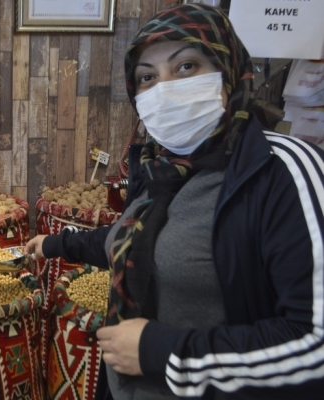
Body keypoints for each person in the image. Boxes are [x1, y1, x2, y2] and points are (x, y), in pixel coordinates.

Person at [26, 3, 324, 399]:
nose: (164, 90)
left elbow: (315, 345)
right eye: (147, 77)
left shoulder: (279, 169)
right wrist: (54, 244)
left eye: (186, 67)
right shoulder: (159, 167)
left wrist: (161, 352)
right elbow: (135, 241)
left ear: (228, 70)